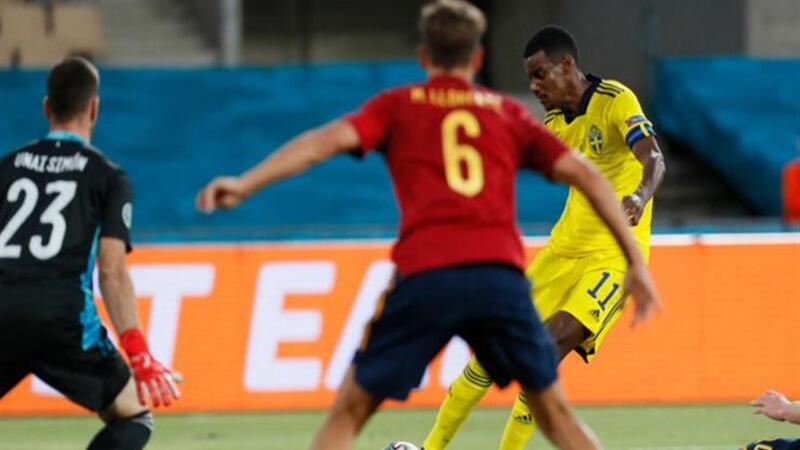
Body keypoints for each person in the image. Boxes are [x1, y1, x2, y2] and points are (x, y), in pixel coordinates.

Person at [196, 2, 662, 449]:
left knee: (350, 410)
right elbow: (586, 176)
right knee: (555, 411)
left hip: (427, 272)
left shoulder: (399, 105)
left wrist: (246, 182)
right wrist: (637, 261)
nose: (535, 86)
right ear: (477, 59)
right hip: (496, 276)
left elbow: (324, 141)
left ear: (423, 57)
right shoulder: (504, 113)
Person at [422, 25, 667, 450]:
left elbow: (654, 157)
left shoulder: (615, 100)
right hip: (562, 253)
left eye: (539, 75)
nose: (534, 86)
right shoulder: (555, 124)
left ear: (566, 65)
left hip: (611, 259)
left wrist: (639, 196)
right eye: (530, 78)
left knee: (543, 352)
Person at [0, 57, 179, 450]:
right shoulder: (107, 176)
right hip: (62, 319)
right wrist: (138, 353)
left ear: (47, 107)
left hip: (2, 310)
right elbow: (111, 272)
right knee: (133, 417)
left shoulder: (7, 168)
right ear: (94, 107)